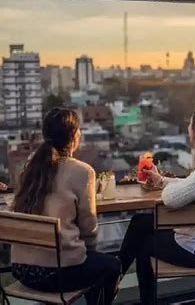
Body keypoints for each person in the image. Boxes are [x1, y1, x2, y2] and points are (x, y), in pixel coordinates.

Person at [119, 102, 195, 304]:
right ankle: (113, 281)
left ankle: (113, 286)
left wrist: (165, 188)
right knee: (139, 222)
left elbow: (171, 198)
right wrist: (161, 181)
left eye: (190, 124)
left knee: (143, 245)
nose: (188, 129)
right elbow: (192, 185)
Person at [11, 108, 121, 304]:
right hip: (57, 275)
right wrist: (89, 252)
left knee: (93, 263)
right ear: (74, 136)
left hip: (22, 271)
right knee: (112, 266)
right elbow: (89, 227)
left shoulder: (31, 167)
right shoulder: (82, 171)